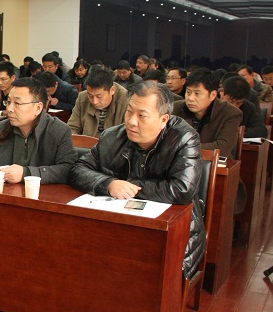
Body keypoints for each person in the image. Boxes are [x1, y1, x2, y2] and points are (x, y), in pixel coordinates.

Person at [68, 82, 205, 279]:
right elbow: (78, 169)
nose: (131, 122)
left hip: (176, 235)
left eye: (142, 116)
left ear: (163, 120)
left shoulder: (184, 139)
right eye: (129, 112)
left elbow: (182, 189)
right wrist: (110, 184)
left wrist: (130, 187)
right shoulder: (112, 137)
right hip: (120, 227)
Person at [0, 77, 76, 184]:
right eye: (8, 102)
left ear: (38, 108)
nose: (9, 109)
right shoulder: (1, 128)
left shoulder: (59, 130)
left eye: (17, 103)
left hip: (42, 194)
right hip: (6, 193)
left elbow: (67, 169)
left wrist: (26, 173)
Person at [173, 68, 243, 157]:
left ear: (213, 95)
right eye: (188, 92)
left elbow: (223, 148)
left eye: (197, 93)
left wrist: (183, 147)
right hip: (179, 161)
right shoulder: (175, 108)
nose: (191, 98)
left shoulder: (230, 113)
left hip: (212, 162)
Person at [67, 68, 128, 137]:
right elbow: (73, 127)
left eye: (99, 96)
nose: (94, 102)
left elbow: (126, 135)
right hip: (86, 142)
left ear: (112, 90)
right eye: (90, 96)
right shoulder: (82, 97)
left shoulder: (126, 100)